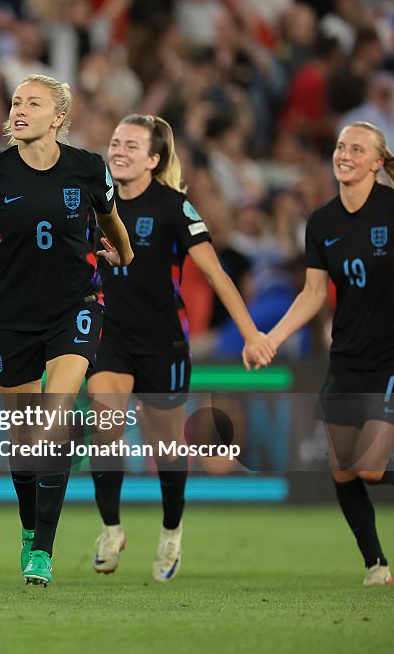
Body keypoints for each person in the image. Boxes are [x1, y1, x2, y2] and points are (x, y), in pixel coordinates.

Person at [0, 74, 135, 587]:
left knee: (54, 420)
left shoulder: (88, 168)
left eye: (33, 103)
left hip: (75, 307)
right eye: (16, 102)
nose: (19, 110)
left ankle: (42, 549)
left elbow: (111, 221)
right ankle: (28, 527)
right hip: (14, 315)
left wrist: (124, 255)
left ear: (58, 117)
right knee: (24, 440)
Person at [85, 114, 274, 583]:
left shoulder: (173, 206)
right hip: (109, 337)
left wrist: (251, 333)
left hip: (163, 343)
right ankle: (111, 529)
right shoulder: (91, 203)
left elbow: (215, 273)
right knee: (105, 427)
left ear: (153, 159)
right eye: (116, 142)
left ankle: (171, 531)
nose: (119, 151)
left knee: (165, 447)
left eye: (131, 145)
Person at [267, 121, 394, 586]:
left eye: (357, 149)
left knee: (371, 469)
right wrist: (272, 338)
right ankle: (376, 565)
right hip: (346, 358)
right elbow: (313, 294)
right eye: (341, 146)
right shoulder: (321, 222)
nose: (345, 154)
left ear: (377, 162)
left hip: (389, 359)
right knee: (343, 471)